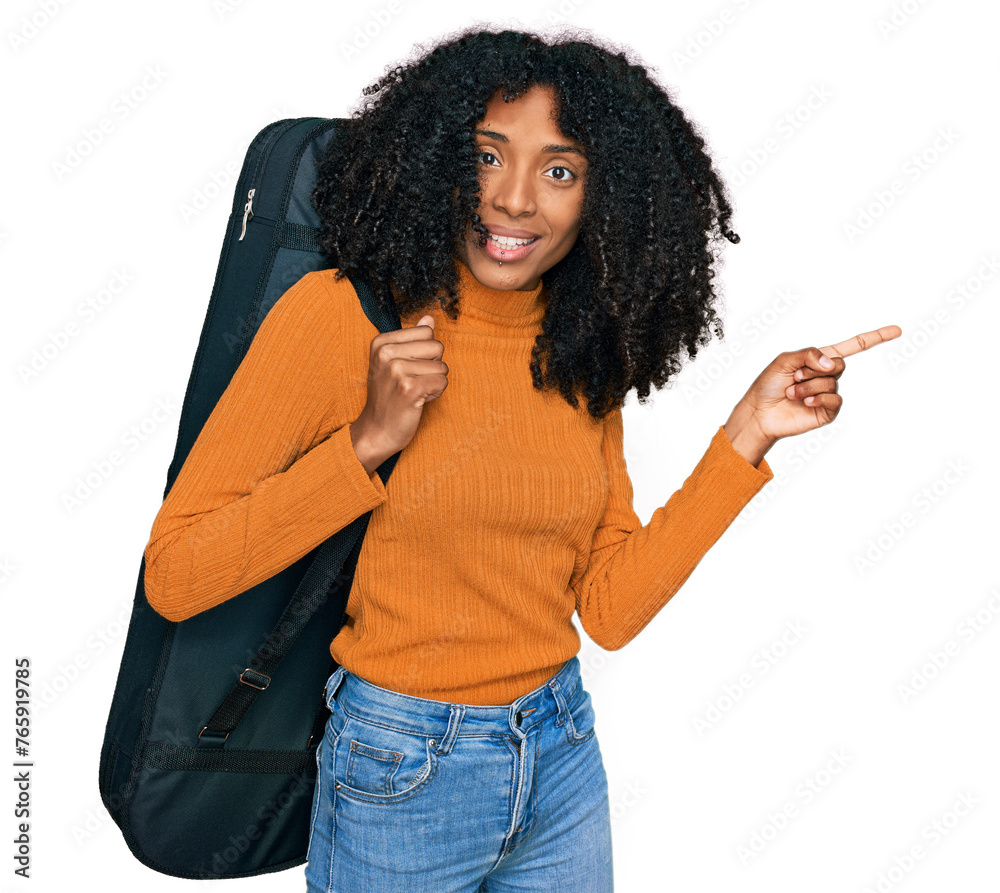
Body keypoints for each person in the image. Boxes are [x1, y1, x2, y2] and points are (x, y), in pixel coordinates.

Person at [142, 27, 900, 892]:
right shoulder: (341, 318)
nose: (513, 200)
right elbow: (176, 573)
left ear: (605, 196)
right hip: (400, 764)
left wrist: (746, 434)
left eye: (560, 171)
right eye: (487, 156)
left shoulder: (581, 350)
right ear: (436, 159)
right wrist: (368, 442)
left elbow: (608, 608)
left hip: (560, 749)